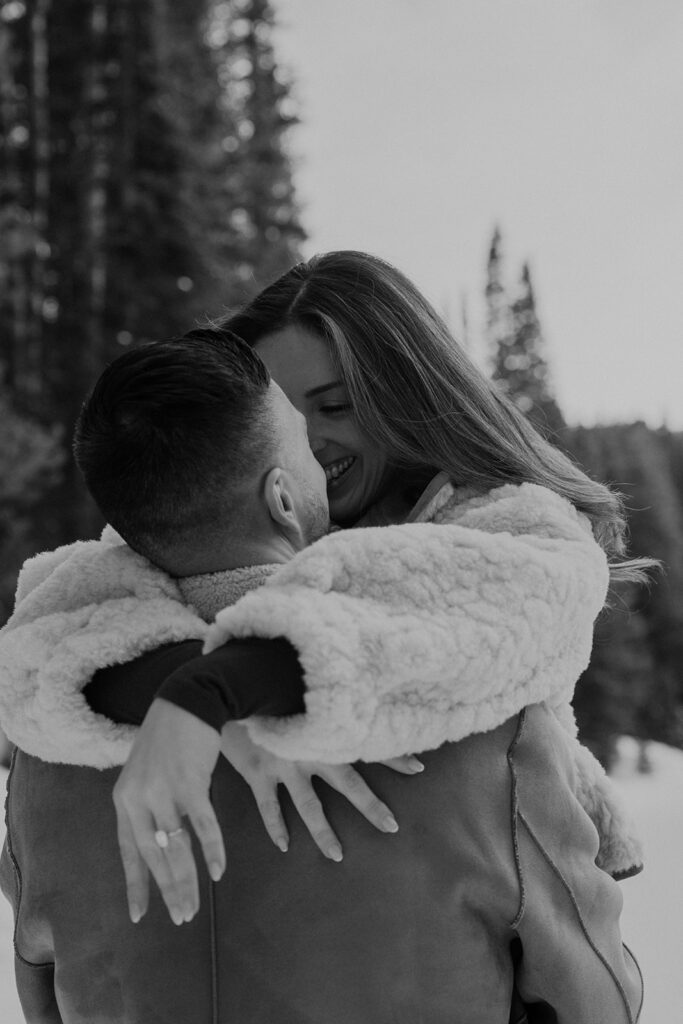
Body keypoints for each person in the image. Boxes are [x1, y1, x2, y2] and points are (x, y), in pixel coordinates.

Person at [0, 262, 646, 1021]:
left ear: (409, 399)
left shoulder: (493, 549)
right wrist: (199, 694)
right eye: (276, 411)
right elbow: (49, 640)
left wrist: (214, 691)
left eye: (333, 405)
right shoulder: (483, 748)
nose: (304, 440)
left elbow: (506, 588)